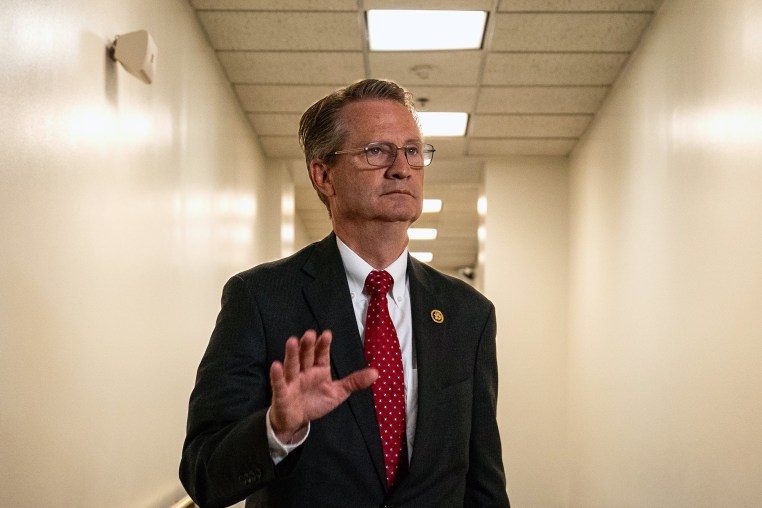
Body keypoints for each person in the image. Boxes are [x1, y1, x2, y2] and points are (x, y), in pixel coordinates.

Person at [180, 79, 509, 508]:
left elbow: (482, 482)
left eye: (413, 150)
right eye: (376, 151)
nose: (402, 168)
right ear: (323, 175)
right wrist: (278, 431)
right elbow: (203, 474)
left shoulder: (468, 313)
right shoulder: (260, 299)